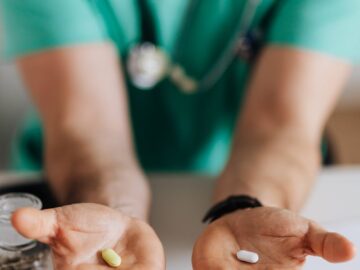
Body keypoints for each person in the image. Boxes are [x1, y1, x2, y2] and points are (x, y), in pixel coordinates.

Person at [1, 0, 359, 269]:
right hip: (78, 196)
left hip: (258, 184)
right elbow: (86, 127)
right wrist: (112, 212)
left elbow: (280, 125)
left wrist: (250, 205)